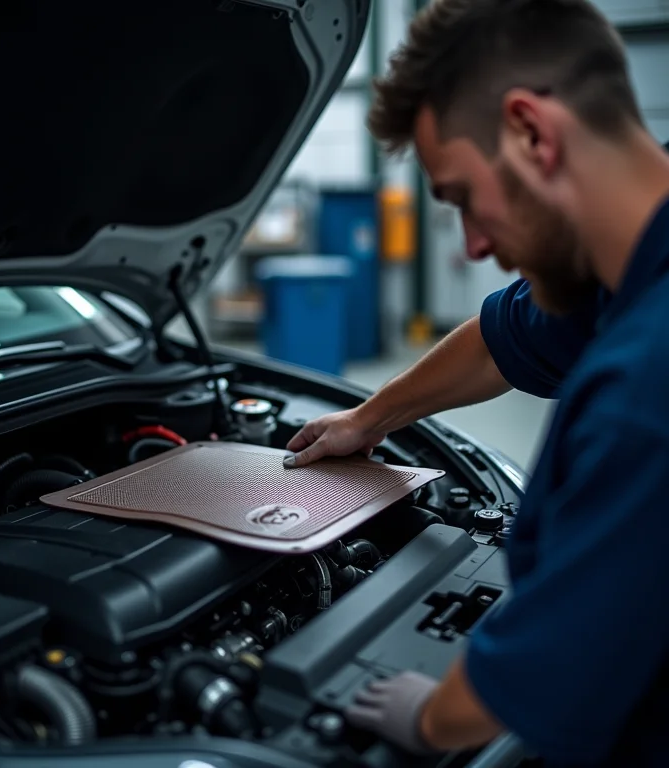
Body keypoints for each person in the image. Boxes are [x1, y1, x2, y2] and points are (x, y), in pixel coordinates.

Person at [283, 1, 669, 766]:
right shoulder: (619, 269)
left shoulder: (645, 390)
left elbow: (557, 672)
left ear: (531, 131)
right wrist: (370, 417)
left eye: (461, 197)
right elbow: (503, 340)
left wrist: (432, 718)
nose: (475, 245)